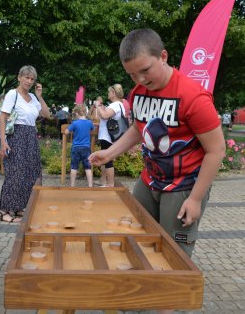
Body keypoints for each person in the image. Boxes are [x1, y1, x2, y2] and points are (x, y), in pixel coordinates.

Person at [89, 28, 225, 260]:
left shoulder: (193, 96)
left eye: (145, 70)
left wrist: (195, 199)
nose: (140, 79)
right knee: (138, 236)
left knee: (173, 253)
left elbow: (217, 150)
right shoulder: (139, 92)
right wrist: (110, 152)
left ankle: (170, 295)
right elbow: (138, 128)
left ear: (163, 57)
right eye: (132, 74)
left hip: (184, 186)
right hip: (150, 179)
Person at [0, 65, 50, 222]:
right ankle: (4, 210)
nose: (29, 81)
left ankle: (19, 206)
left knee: (31, 173)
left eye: (32, 78)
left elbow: (47, 114)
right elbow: (2, 118)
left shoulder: (33, 98)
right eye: (26, 77)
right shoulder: (12, 94)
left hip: (30, 136)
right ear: (19, 77)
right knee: (15, 173)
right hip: (16, 136)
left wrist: (40, 96)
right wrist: (3, 141)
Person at [94, 84, 126, 187]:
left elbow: (104, 116)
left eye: (109, 92)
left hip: (108, 136)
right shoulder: (119, 104)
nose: (108, 94)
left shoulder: (115, 105)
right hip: (109, 135)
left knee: (107, 159)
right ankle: (105, 181)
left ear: (113, 93)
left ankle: (110, 183)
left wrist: (98, 106)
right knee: (105, 158)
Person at [65, 104, 94, 187]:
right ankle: (90, 185)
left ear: (77, 113)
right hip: (86, 147)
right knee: (88, 167)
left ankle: (72, 185)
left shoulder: (75, 123)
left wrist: (70, 129)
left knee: (74, 167)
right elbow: (93, 129)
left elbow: (67, 132)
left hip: (76, 147)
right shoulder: (89, 122)